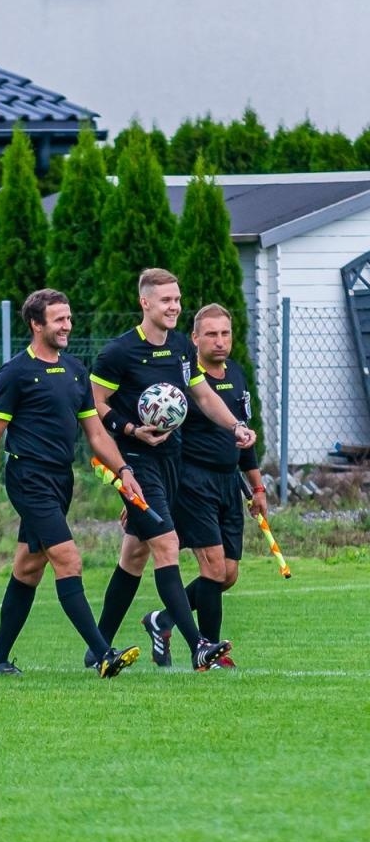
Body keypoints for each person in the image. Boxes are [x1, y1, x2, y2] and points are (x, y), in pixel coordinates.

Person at [88, 268, 255, 672]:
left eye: (177, 299)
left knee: (134, 555)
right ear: (145, 302)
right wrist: (130, 429)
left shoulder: (182, 347)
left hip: (172, 461)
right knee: (166, 546)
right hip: (134, 464)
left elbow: (201, 393)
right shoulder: (119, 352)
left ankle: (97, 648)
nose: (175, 306)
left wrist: (234, 425)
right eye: (166, 300)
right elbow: (93, 405)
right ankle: (198, 644)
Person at [0, 289, 144, 677]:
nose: (67, 325)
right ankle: (102, 654)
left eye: (69, 318)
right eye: (59, 320)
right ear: (37, 324)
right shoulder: (16, 372)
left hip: (60, 479)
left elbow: (96, 434)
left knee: (29, 567)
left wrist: (124, 472)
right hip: (28, 477)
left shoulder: (74, 370)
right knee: (68, 558)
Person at [146, 302, 263, 668]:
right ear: (195, 338)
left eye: (225, 333)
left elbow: (243, 438)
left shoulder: (238, 375)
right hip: (193, 483)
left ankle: (162, 620)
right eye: (210, 334)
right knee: (212, 570)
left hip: (230, 484)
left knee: (227, 574)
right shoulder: (184, 382)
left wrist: (257, 487)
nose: (219, 341)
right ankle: (208, 653)